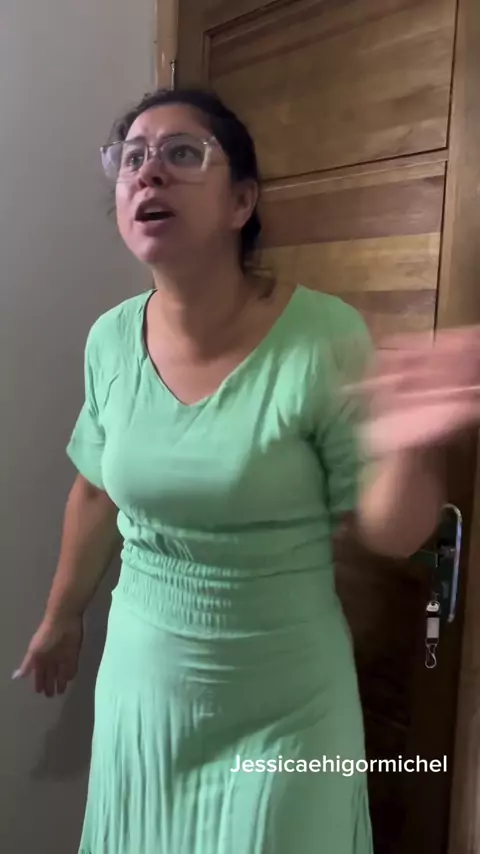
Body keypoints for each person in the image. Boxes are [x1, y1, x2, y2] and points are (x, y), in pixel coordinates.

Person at [12, 86, 479, 854]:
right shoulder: (109, 340)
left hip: (285, 707)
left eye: (182, 153)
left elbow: (394, 535)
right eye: (133, 158)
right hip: (145, 693)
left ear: (241, 202)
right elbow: (96, 489)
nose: (148, 171)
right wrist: (62, 618)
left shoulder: (324, 335)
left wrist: (409, 443)